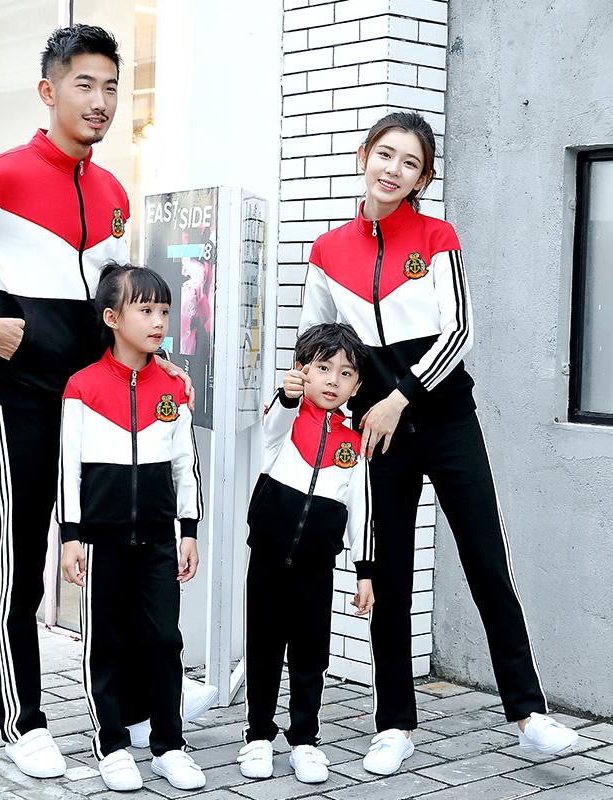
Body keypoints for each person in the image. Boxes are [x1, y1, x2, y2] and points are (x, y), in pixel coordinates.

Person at [0, 24, 213, 779]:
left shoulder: (110, 192)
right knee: (19, 559)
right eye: (85, 85)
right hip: (19, 400)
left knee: (120, 560)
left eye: (112, 87)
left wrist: (160, 359)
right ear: (48, 91)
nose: (100, 101)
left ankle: (134, 711)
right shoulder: (0, 175)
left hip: (94, 409)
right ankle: (23, 718)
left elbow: (116, 299)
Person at [298, 111, 579, 776]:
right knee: (389, 577)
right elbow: (316, 345)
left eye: (410, 163)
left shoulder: (437, 236)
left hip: (447, 421)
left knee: (486, 559)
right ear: (363, 155)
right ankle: (393, 723)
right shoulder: (328, 250)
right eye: (385, 155)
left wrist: (399, 396)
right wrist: (307, 386)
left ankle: (529, 714)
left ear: (424, 177)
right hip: (376, 435)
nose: (393, 169)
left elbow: (459, 332)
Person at [58, 263, 206, 793]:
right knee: (107, 642)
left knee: (165, 640)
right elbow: (68, 469)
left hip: (160, 540)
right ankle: (112, 745)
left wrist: (189, 529)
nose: (158, 321)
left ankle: (170, 745)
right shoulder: (82, 387)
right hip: (102, 540)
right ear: (112, 317)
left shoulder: (173, 387)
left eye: (164, 311)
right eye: (145, 310)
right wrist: (70, 535)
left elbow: (186, 465)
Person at [236, 323, 375, 785]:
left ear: (357, 385)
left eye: (346, 373)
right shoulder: (285, 418)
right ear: (302, 371)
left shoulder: (355, 445)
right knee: (265, 646)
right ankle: (257, 735)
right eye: (322, 368)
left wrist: (364, 572)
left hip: (317, 567)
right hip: (269, 559)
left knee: (310, 654)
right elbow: (273, 422)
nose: (333, 380)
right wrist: (288, 394)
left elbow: (361, 512)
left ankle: (304, 739)